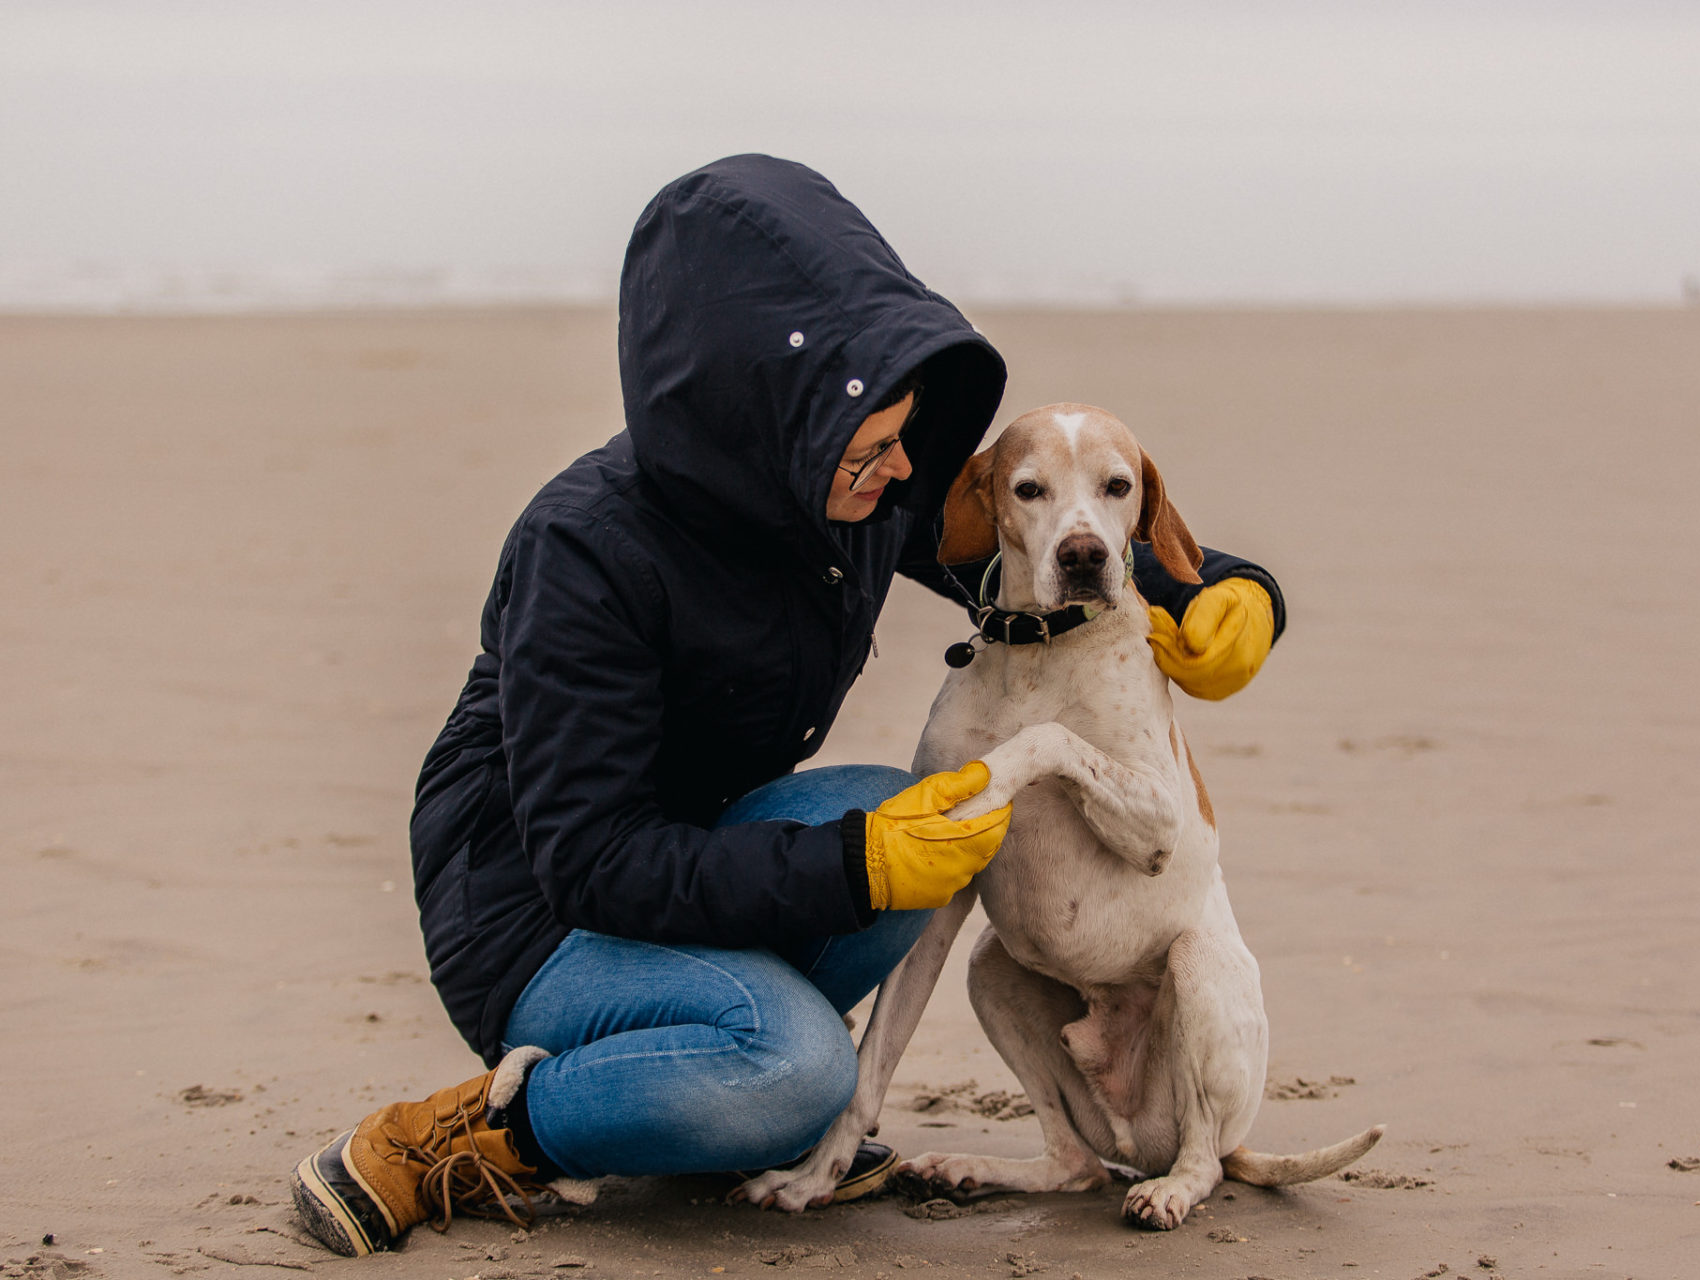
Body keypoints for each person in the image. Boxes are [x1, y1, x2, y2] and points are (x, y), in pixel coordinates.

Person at [290, 155, 1286, 1258]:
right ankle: (484, 1129)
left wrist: (1234, 591)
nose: (901, 467)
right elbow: (590, 857)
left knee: (922, 810)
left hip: (696, 849)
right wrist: (851, 868)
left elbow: (1031, 534)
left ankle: (704, 1089)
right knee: (797, 1068)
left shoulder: (844, 486)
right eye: (876, 444)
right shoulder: (587, 550)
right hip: (537, 911)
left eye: (904, 433)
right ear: (775, 423)